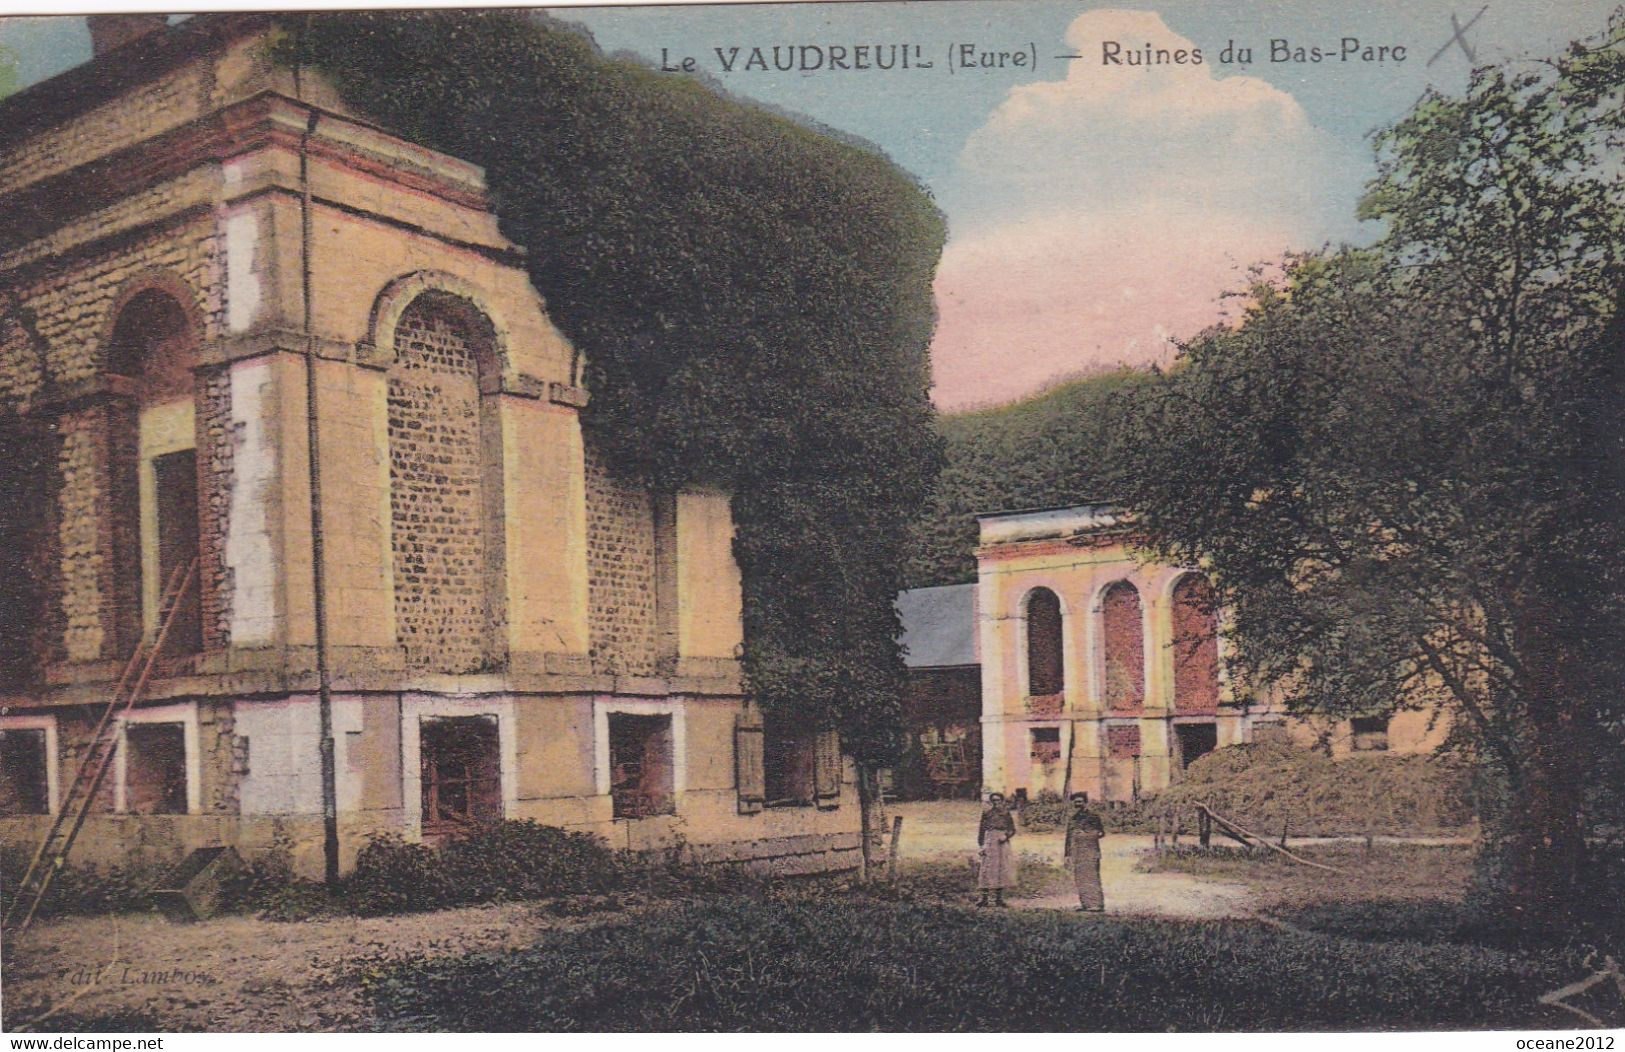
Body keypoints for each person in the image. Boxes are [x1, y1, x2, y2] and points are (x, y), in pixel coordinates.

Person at [1064, 791, 1105, 912]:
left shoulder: (1093, 817)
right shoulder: (1073, 819)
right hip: (1077, 852)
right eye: (1076, 802)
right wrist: (1067, 854)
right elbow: (1068, 838)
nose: (1078, 804)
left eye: (1080, 802)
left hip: (1091, 851)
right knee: (1080, 878)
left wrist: (1085, 835)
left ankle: (1096, 904)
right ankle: (1085, 904)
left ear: (1085, 802)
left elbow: (1101, 833)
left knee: (1092, 877)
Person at [977, 792, 1017, 907]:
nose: (996, 802)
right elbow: (981, 831)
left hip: (1001, 843)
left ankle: (999, 899)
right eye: (993, 800)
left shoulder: (1006, 814)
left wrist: (1006, 836)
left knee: (1000, 869)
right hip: (989, 842)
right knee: (986, 869)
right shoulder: (987, 813)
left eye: (998, 800)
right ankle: (984, 899)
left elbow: (1012, 829)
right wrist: (981, 845)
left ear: (1002, 801)